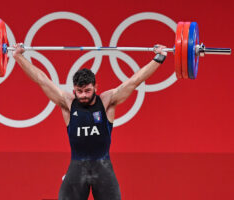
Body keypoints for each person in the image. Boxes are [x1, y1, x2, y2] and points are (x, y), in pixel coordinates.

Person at [12, 44, 167, 200]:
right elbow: (42, 80)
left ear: (95, 88)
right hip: (77, 168)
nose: (83, 95)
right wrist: (19, 56)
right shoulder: (68, 103)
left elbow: (135, 81)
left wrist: (158, 58)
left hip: (103, 168)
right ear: (74, 90)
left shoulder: (107, 101)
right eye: (79, 91)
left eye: (87, 90)